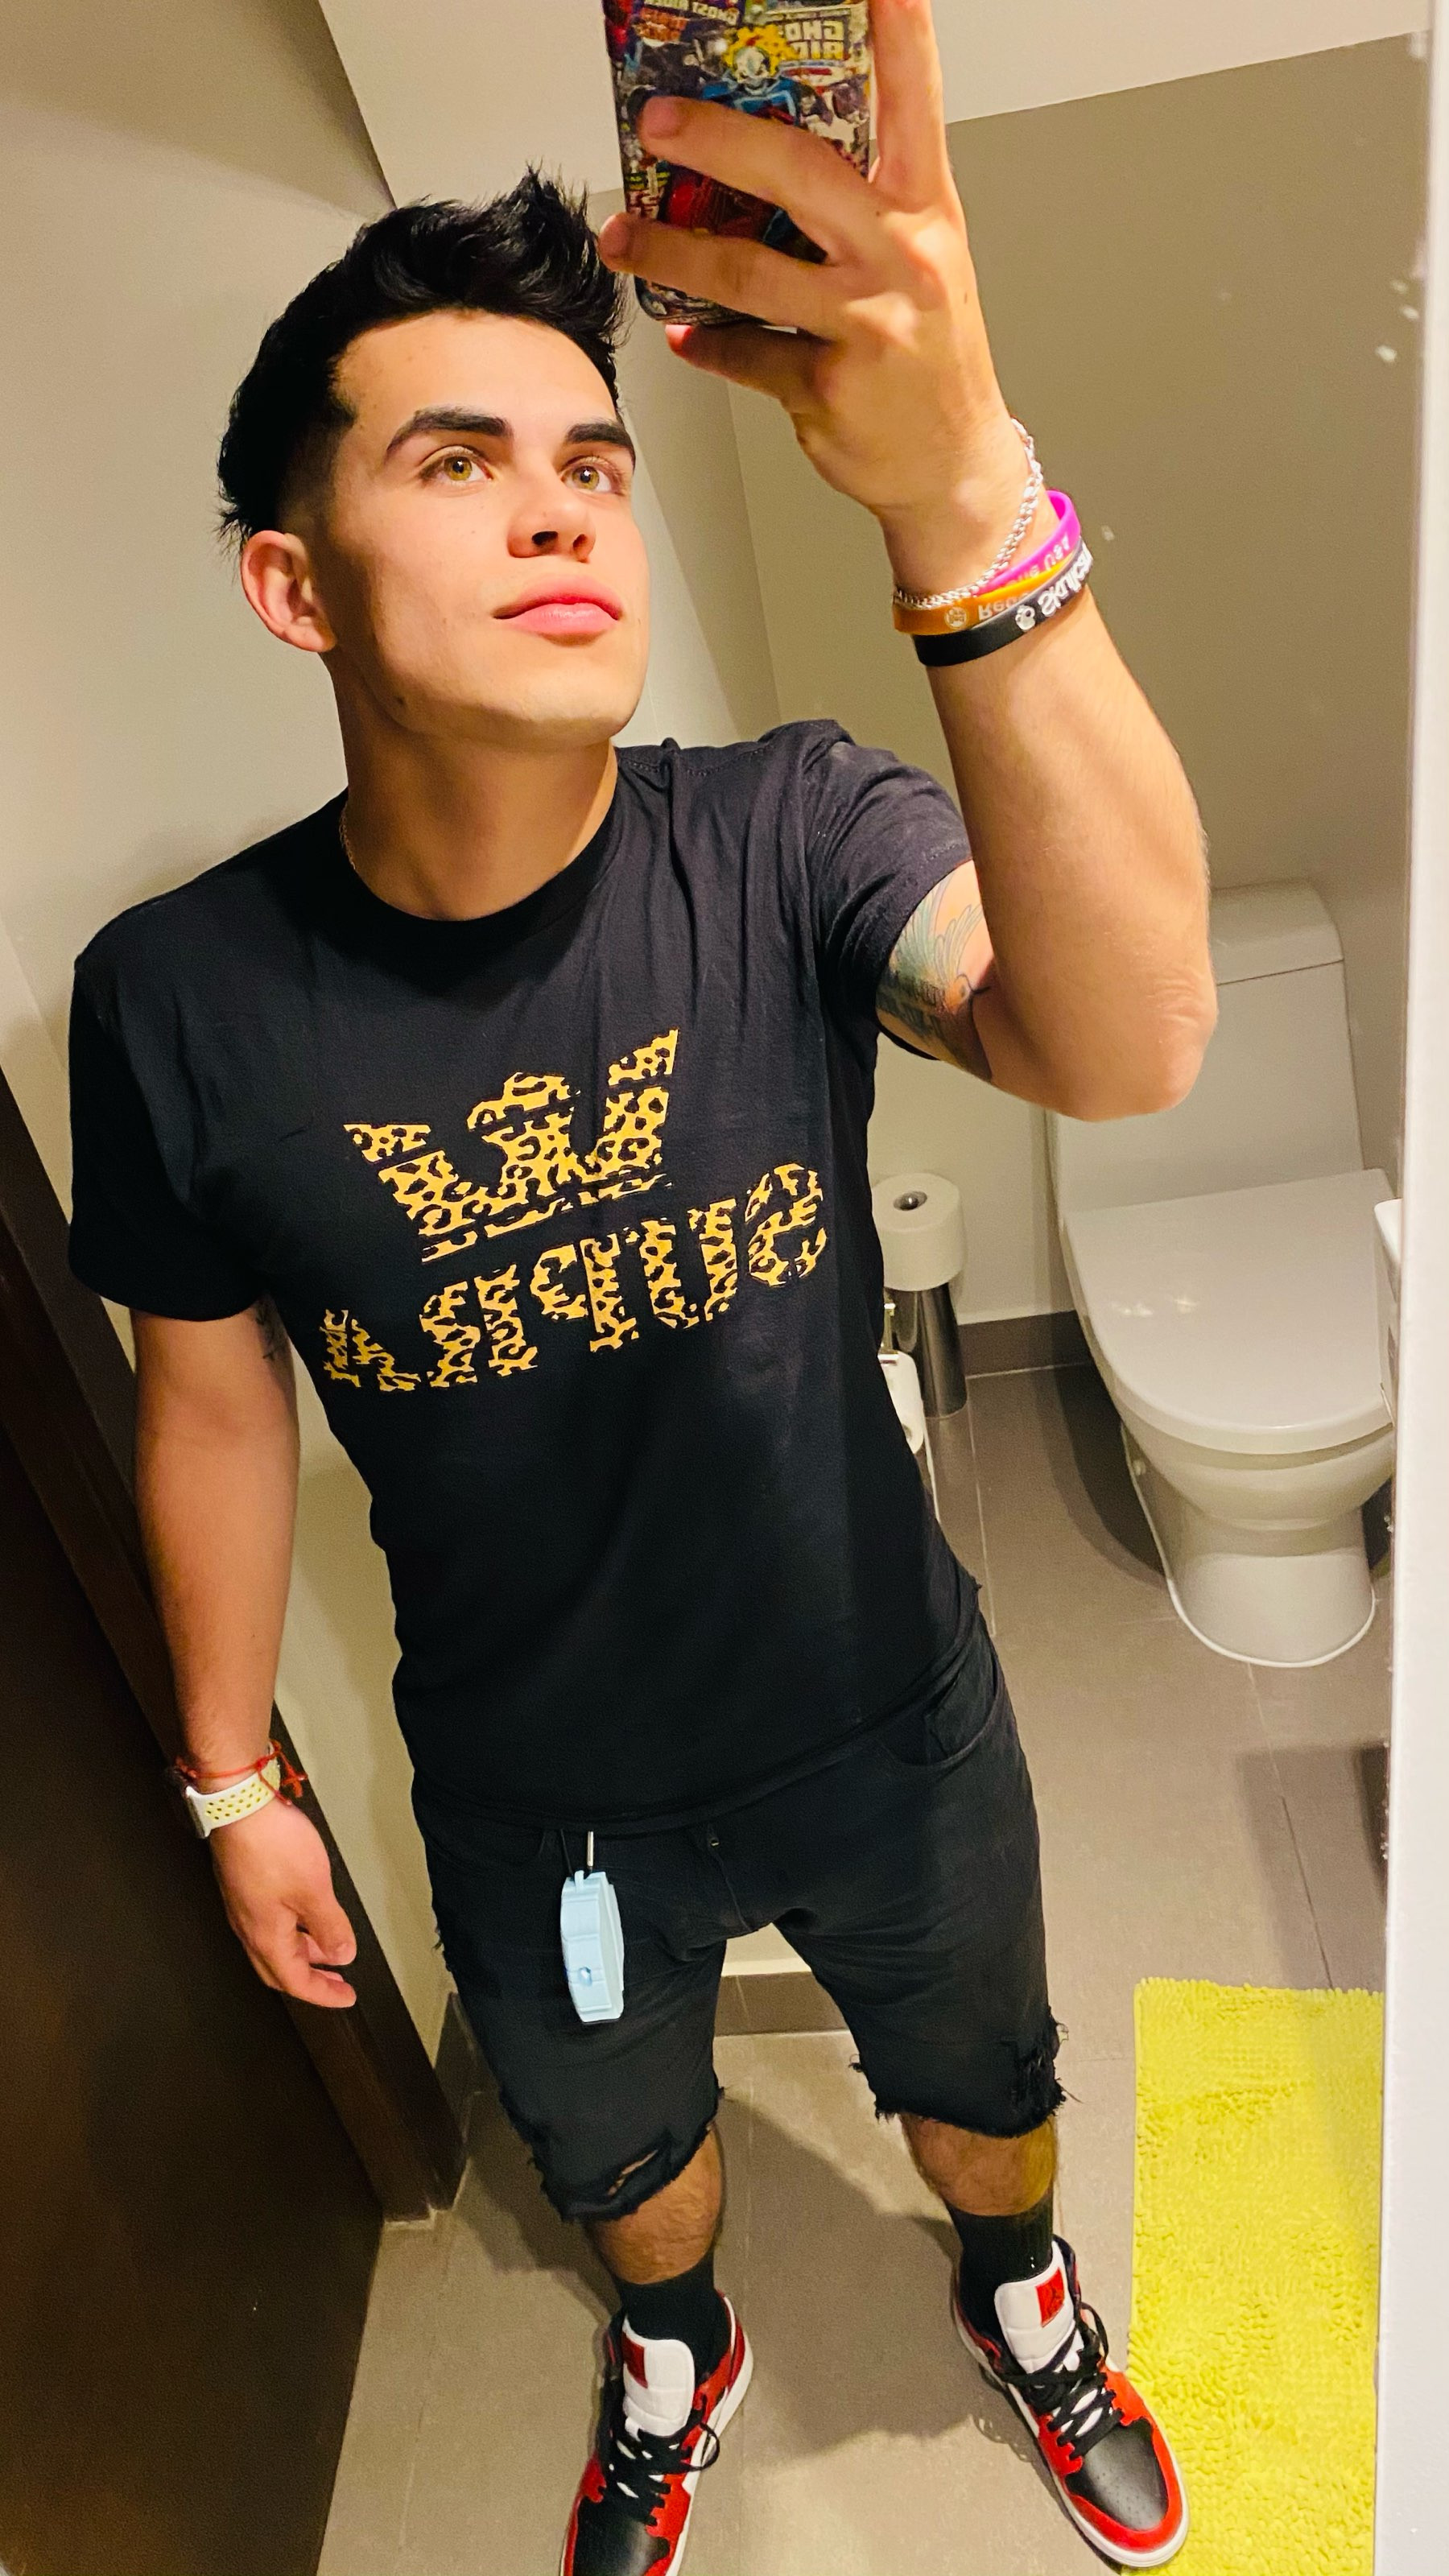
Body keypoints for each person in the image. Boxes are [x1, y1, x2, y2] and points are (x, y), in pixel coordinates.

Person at [67, 5, 1214, 2568]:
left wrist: (967, 495)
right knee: (618, 2150)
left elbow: (1130, 1043)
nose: (560, 511)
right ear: (292, 581)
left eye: (590, 459)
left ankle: (1020, 2291)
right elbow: (212, 1400)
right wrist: (236, 1779)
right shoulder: (175, 1003)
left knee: (982, 2081)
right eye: (455, 462)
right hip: (536, 1778)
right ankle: (681, 2353)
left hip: (882, 1706)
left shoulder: (792, 828)